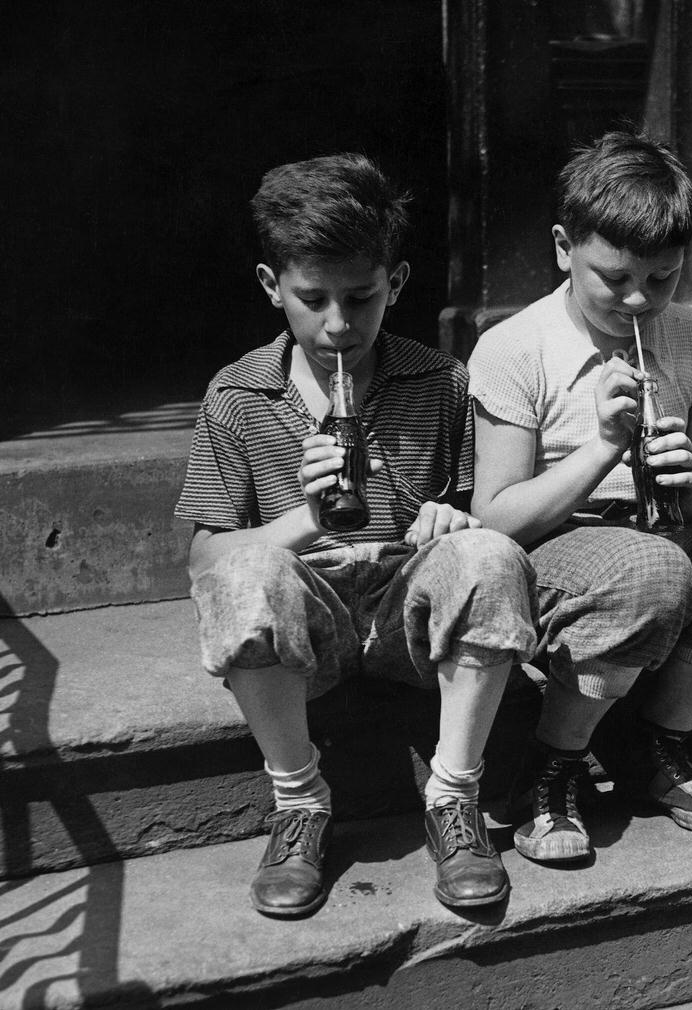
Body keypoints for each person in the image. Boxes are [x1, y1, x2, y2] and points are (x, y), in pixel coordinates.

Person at [175, 154, 537, 917]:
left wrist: (453, 519)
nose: (338, 324)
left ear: (396, 283)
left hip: (409, 618)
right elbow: (204, 558)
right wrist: (306, 518)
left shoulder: (441, 381)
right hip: (310, 631)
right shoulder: (238, 393)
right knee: (242, 574)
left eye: (361, 297)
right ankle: (300, 799)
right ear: (273, 287)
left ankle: (453, 796)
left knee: (492, 554)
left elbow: (479, 515)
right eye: (313, 299)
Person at [468, 131, 692, 865]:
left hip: (667, 533)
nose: (638, 300)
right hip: (562, 548)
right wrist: (603, 448)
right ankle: (551, 765)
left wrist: (691, 484)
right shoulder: (514, 347)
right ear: (563, 247)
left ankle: (662, 745)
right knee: (645, 570)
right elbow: (497, 517)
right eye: (613, 279)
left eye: (663, 279)